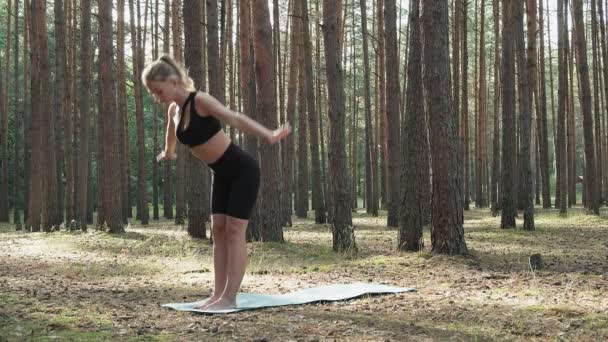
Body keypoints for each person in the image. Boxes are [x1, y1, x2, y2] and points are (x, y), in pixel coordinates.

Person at [142, 54, 291, 310]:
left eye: (158, 90)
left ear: (174, 81)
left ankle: (230, 298)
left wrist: (268, 134)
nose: (157, 97)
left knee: (234, 231)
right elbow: (171, 134)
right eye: (153, 93)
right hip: (220, 174)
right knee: (219, 232)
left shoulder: (199, 100)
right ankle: (217, 294)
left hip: (242, 170)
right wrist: (168, 153)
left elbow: (233, 118)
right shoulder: (173, 110)